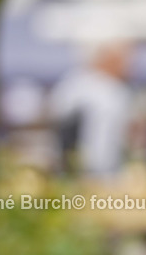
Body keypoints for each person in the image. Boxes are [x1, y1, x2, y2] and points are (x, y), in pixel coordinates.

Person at [49, 42, 133, 177]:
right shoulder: (112, 91)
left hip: (72, 168)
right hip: (99, 172)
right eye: (124, 60)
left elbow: (55, 111)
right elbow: (104, 146)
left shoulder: (73, 81)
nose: (129, 66)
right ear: (108, 59)